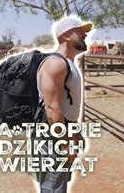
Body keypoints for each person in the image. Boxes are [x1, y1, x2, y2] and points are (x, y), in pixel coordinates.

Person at [35, 17, 92, 192]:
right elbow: (52, 109)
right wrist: (65, 143)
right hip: (52, 136)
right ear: (66, 35)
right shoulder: (56, 64)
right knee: (53, 188)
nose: (85, 35)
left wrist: (74, 132)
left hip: (61, 132)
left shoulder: (67, 63)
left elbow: (67, 105)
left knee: (60, 185)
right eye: (80, 31)